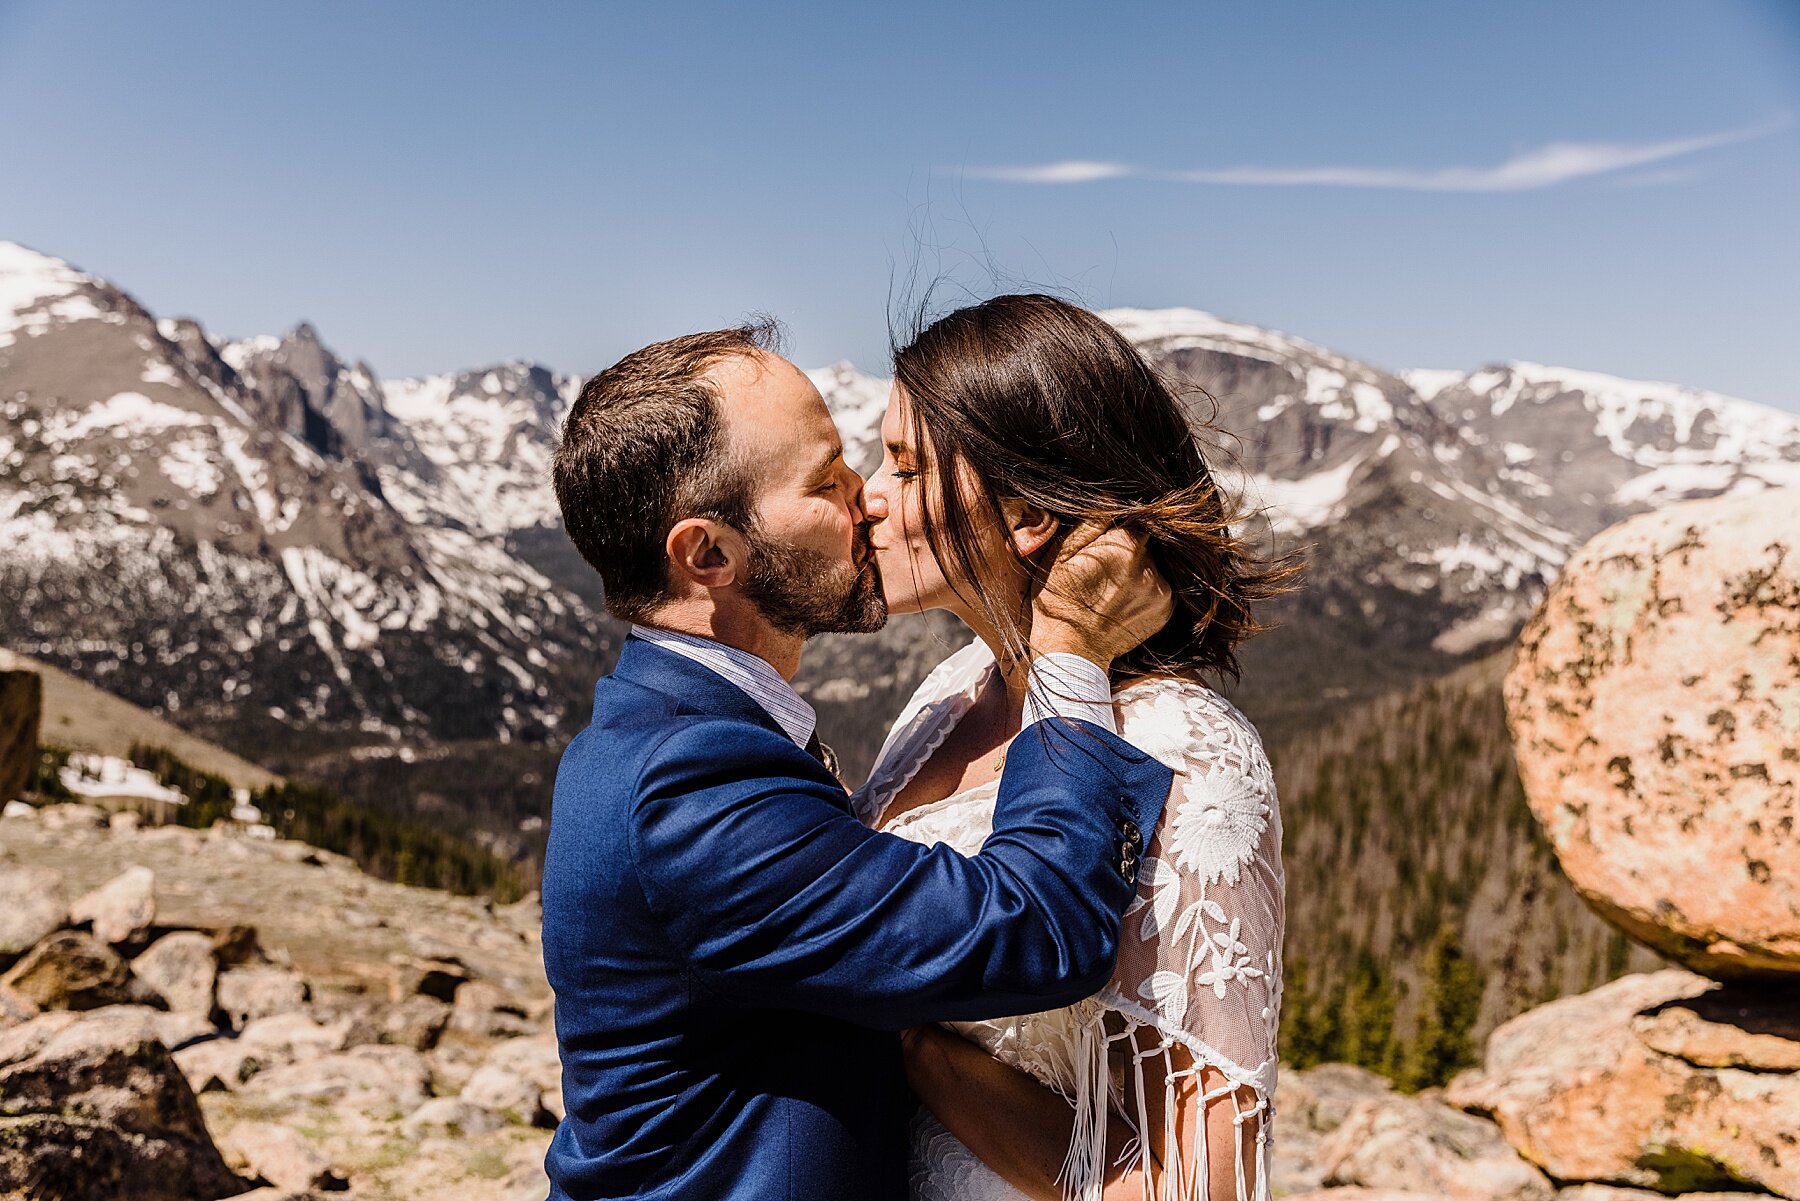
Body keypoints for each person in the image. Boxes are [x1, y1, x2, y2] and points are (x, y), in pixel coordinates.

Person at [542, 320, 1178, 1201]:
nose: (866, 497)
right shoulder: (686, 785)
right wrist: (1070, 655)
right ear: (710, 553)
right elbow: (1032, 931)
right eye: (825, 477)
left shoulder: (670, 730)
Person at [856, 294, 1298, 1201]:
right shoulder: (949, 694)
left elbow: (1198, 1182)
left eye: (903, 466)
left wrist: (908, 1041)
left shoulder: (1188, 748)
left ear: (1025, 511)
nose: (868, 495)